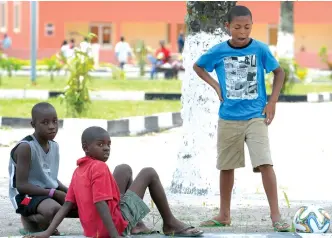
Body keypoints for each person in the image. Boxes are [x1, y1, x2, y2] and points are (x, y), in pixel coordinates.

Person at [193, 5, 290, 232]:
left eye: (247, 27)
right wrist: (216, 86)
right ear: (228, 27)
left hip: (256, 116)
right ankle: (224, 215)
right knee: (226, 167)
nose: (242, 32)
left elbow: (279, 72)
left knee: (265, 163)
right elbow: (198, 66)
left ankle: (276, 215)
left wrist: (272, 101)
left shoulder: (260, 49)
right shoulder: (218, 51)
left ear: (252, 26)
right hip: (228, 117)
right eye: (237, 27)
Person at [29, 126, 204, 238]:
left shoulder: (78, 171)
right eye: (100, 144)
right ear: (85, 147)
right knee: (148, 173)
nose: (106, 148)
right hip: (112, 228)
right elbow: (100, 203)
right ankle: (170, 223)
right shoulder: (99, 168)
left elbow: (67, 205)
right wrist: (115, 235)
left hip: (93, 231)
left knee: (123, 168)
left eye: (108, 144)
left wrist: (46, 233)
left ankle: (137, 226)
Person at [8, 102, 78, 235]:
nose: (52, 127)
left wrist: (70, 192)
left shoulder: (54, 146)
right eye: (45, 122)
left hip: (45, 193)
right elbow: (21, 186)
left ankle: (45, 223)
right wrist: (54, 193)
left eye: (55, 121)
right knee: (54, 209)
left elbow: (50, 178)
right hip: (24, 197)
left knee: (79, 205)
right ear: (33, 125)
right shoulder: (26, 147)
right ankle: (30, 221)